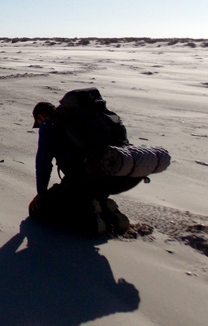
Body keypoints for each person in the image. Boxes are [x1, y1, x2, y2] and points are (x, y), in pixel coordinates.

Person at [28, 101, 131, 235]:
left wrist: (41, 193)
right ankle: (104, 207)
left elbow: (43, 163)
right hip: (107, 176)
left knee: (37, 211)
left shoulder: (49, 126)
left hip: (80, 179)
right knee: (78, 192)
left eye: (38, 121)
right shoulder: (80, 121)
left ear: (41, 116)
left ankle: (92, 218)